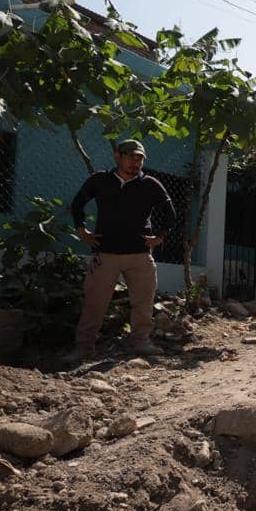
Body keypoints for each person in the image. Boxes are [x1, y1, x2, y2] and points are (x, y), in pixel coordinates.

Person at [66, 139, 176, 361]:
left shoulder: (151, 184)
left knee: (143, 303)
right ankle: (85, 347)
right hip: (106, 254)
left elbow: (170, 214)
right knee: (94, 303)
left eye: (140, 159)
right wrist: (82, 232)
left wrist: (159, 238)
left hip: (140, 255)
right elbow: (77, 204)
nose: (136, 163)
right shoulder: (100, 180)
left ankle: (141, 343)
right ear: (118, 156)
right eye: (131, 157)